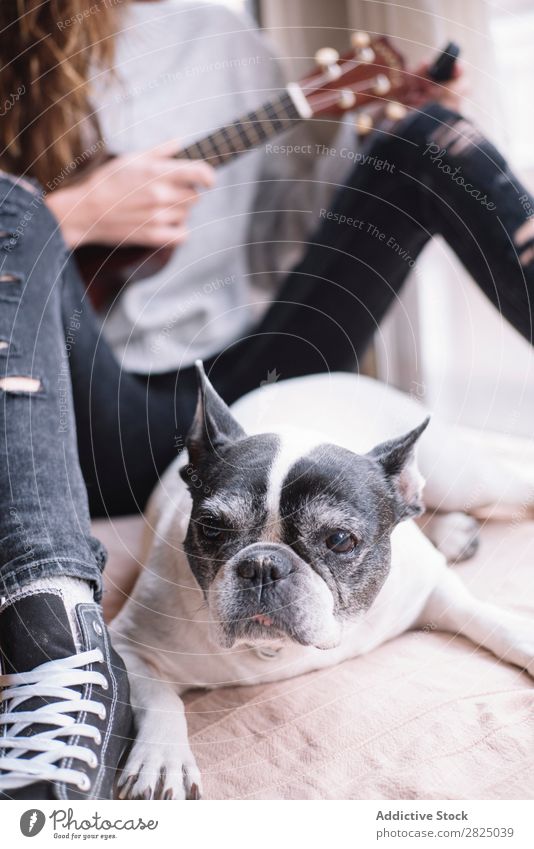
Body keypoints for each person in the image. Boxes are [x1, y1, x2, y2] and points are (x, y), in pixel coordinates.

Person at [1, 0, 533, 800]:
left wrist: (362, 145)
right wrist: (73, 215)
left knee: (425, 144)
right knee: (11, 203)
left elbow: (295, 217)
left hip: (255, 386)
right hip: (95, 413)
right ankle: (61, 658)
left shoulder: (211, 33)